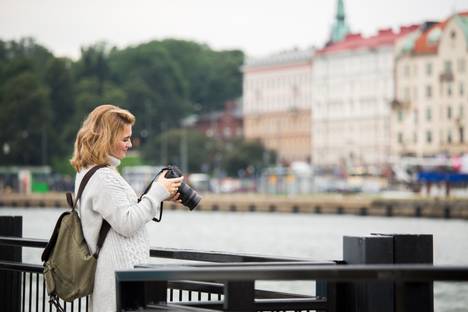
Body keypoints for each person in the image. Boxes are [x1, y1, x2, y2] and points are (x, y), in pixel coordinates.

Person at [70, 104, 183, 311]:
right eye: (125, 139)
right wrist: (156, 193)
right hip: (118, 282)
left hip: (115, 278)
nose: (130, 144)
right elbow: (127, 223)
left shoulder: (92, 171)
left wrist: (159, 196)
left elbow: (120, 213)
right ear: (106, 138)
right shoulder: (104, 177)